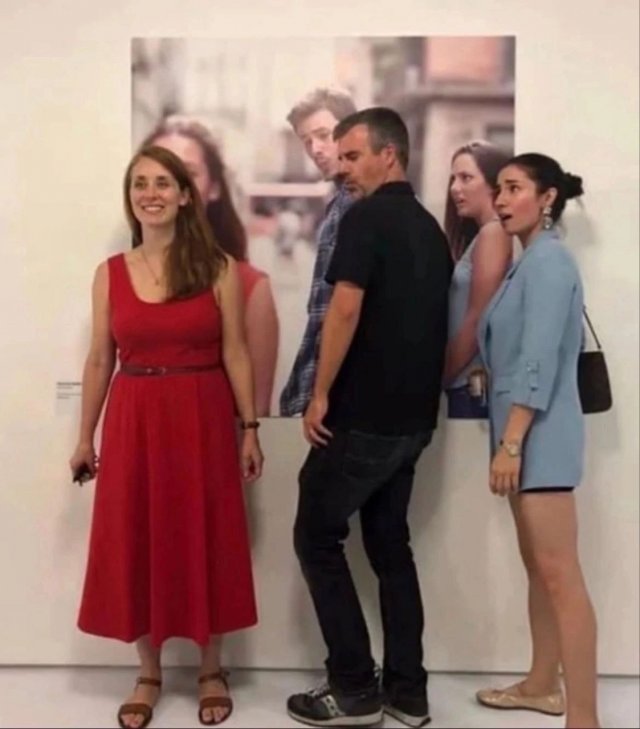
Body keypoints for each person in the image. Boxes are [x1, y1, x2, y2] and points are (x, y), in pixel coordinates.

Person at [70, 146, 263, 728]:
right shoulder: (109, 273)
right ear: (130, 197)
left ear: (184, 195)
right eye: (139, 184)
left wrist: (250, 429)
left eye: (161, 183)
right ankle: (148, 671)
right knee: (137, 532)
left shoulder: (219, 268)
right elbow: (100, 358)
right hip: (134, 417)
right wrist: (84, 437)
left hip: (202, 415)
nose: (149, 194)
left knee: (207, 531)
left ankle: (211, 667)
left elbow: (236, 352)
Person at [287, 108, 452, 728]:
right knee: (389, 546)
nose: (343, 168)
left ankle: (354, 688)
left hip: (362, 419)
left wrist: (320, 393)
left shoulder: (365, 218)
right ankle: (408, 693)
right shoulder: (429, 228)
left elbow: (345, 309)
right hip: (413, 423)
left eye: (353, 156)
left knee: (315, 536)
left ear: (390, 155)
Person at [476, 153, 600, 729]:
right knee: (541, 570)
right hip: (526, 436)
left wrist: (512, 443)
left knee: (561, 577)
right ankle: (541, 684)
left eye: (514, 188)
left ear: (547, 198)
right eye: (499, 189)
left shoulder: (548, 261)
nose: (501, 200)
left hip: (538, 438)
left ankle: (584, 717)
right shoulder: (529, 262)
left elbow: (539, 358)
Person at [142, 116, 279, 417]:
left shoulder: (248, 286)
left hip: (209, 440)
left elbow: (256, 412)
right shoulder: (119, 277)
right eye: (157, 174)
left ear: (214, 188)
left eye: (188, 173)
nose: (169, 188)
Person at [279, 87, 357, 416]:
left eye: (324, 135)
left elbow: (345, 309)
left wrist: (321, 391)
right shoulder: (338, 200)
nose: (315, 149)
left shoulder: (360, 202)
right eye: (306, 141)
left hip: (345, 388)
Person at [443, 140, 513, 418]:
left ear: (494, 184)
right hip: (466, 384)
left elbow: (477, 321)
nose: (455, 188)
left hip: (470, 387)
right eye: (453, 179)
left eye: (466, 178)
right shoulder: (483, 235)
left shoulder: (494, 233)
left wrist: (439, 377)